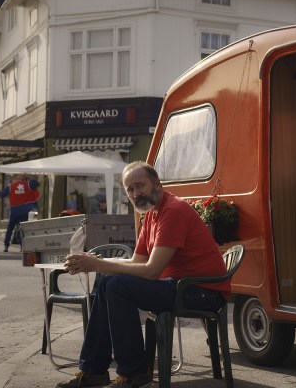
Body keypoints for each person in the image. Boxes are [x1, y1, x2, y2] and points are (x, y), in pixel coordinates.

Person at [57, 161, 230, 388]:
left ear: (156, 184)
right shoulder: (151, 215)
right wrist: (97, 263)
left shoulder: (173, 211)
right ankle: (93, 372)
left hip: (203, 292)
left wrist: (98, 264)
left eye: (140, 185)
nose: (136, 193)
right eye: (130, 189)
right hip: (179, 286)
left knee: (117, 285)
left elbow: (150, 271)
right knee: (108, 282)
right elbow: (137, 262)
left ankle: (134, 373)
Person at [0, 174, 40, 252]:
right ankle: (22, 246)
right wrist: (30, 177)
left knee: (10, 228)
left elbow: (1, 195)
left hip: (14, 210)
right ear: (25, 178)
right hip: (24, 210)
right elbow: (37, 183)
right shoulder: (28, 184)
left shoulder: (11, 186)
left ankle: (6, 246)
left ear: (17, 178)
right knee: (22, 228)